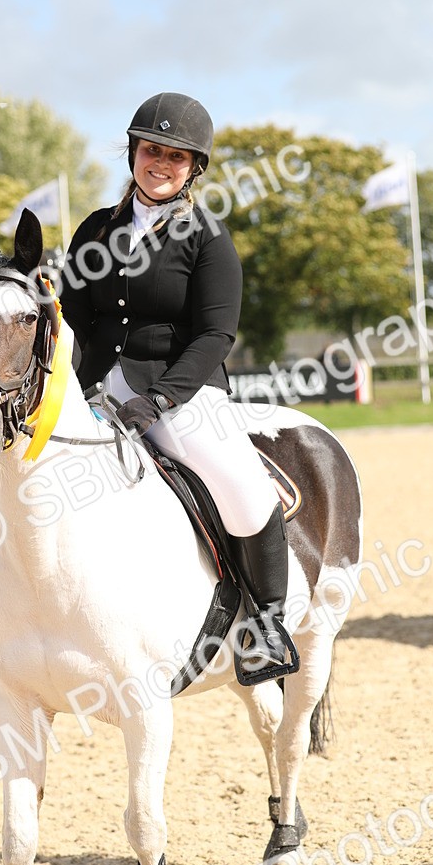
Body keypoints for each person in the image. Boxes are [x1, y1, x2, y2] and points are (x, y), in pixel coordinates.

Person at [58, 92, 294, 669]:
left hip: (183, 388)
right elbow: (74, 315)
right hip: (96, 388)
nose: (160, 163)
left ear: (193, 169)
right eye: (151, 150)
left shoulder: (207, 236)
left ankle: (266, 627)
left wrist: (158, 399)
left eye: (176, 157)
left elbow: (216, 334)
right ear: (134, 152)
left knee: (241, 489)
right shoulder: (95, 229)